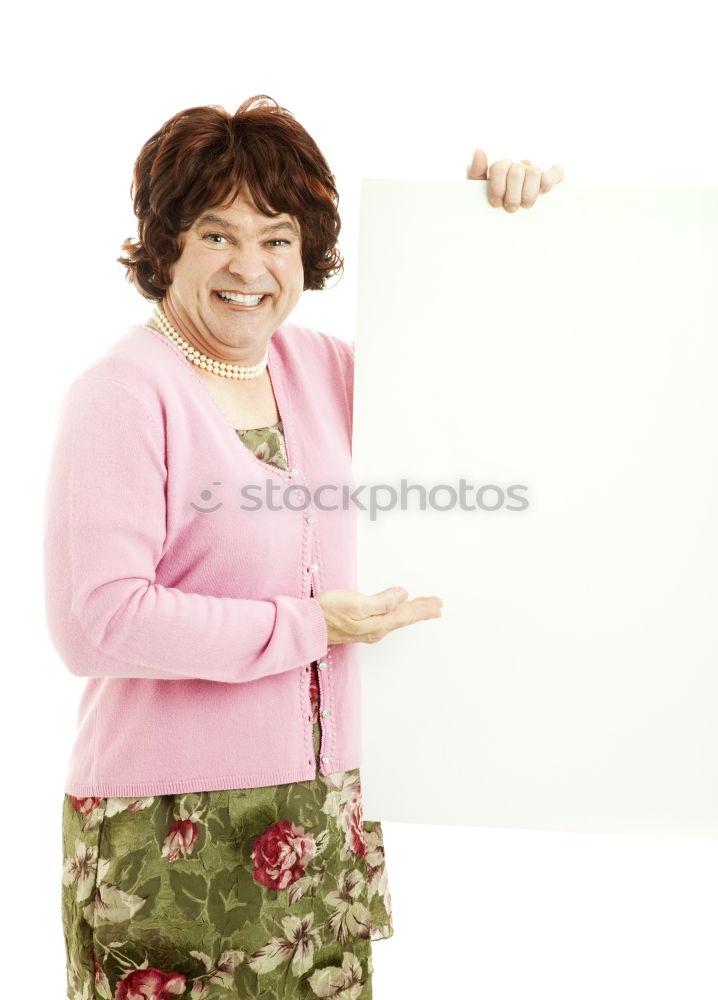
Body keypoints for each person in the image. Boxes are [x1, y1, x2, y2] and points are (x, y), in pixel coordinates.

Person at [45, 94, 564, 1000]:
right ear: (165, 242)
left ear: (306, 251)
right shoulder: (122, 392)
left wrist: (492, 231)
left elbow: (484, 388)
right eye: (216, 234)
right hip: (169, 832)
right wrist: (309, 626)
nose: (249, 266)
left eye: (277, 237)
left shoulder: (325, 368)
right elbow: (96, 622)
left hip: (324, 817)